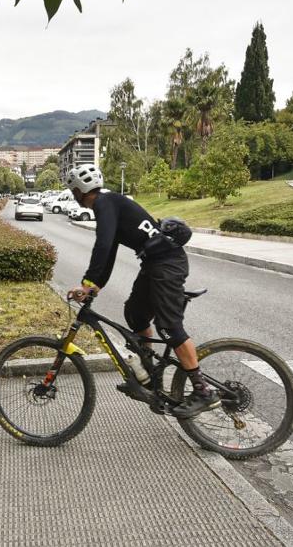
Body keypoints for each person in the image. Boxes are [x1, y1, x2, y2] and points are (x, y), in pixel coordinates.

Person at [63, 164, 218, 418]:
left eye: (73, 192)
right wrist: (94, 286)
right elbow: (109, 250)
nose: (74, 196)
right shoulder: (109, 204)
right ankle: (150, 374)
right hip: (155, 264)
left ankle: (203, 391)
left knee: (169, 327)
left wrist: (87, 284)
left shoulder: (105, 203)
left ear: (79, 191)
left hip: (168, 264)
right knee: (135, 314)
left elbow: (102, 246)